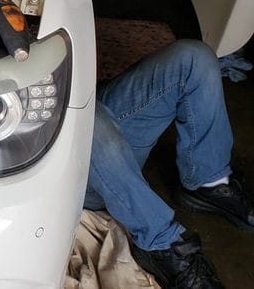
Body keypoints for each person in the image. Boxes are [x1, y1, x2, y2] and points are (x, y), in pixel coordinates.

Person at [86, 39, 254, 288]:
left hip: (85, 99)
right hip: (64, 159)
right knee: (82, 120)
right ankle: (162, 243)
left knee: (194, 59)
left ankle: (211, 182)